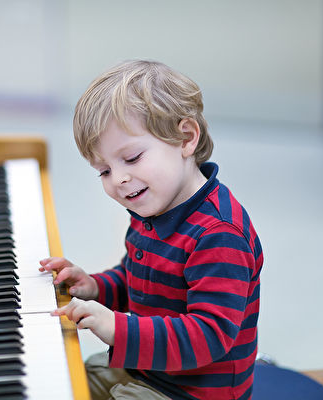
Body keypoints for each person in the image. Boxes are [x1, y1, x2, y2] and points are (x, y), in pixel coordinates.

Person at [39, 60, 263, 400]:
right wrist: (96, 286)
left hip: (195, 392)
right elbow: (140, 279)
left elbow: (209, 336)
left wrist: (117, 327)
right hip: (151, 371)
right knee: (68, 381)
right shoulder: (153, 207)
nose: (119, 180)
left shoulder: (219, 235)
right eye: (103, 171)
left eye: (132, 158)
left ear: (185, 138)